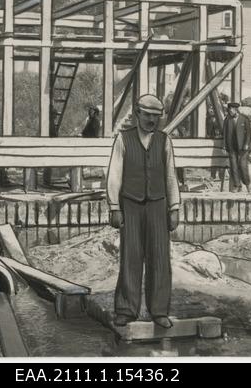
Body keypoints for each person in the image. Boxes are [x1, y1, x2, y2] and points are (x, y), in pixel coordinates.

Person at [106, 94, 181, 329]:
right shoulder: (123, 139)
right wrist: (114, 207)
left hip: (158, 205)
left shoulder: (164, 140)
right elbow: (114, 174)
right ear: (138, 114)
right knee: (131, 256)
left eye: (156, 116)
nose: (151, 120)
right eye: (147, 115)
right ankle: (126, 310)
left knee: (159, 258)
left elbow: (171, 176)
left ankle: (159, 311)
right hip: (131, 205)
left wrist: (174, 208)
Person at [222, 102, 251, 193]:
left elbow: (249, 134)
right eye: (229, 110)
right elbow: (224, 134)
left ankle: (248, 185)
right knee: (234, 167)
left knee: (243, 166)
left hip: (243, 148)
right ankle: (237, 186)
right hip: (231, 148)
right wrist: (224, 146)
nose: (229, 111)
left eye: (231, 110)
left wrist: (247, 144)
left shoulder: (244, 119)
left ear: (235, 110)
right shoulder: (227, 120)